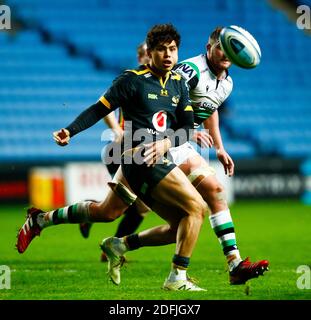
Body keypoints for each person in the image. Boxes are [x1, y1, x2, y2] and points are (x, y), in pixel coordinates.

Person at [16, 23, 208, 291]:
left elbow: (187, 128)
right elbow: (99, 109)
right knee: (197, 209)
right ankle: (177, 278)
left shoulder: (179, 85)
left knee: (114, 214)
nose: (168, 55)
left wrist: (167, 142)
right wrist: (70, 130)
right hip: (139, 157)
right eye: (162, 50)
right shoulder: (132, 80)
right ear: (149, 52)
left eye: (173, 50)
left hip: (155, 156)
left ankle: (47, 221)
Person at [96, 26, 269, 286]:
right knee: (112, 211)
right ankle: (205, 270)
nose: (225, 52)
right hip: (160, 140)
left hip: (179, 142)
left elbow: (210, 108)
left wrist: (219, 147)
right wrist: (184, 133)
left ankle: (121, 245)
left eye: (230, 48)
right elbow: (165, 97)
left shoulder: (227, 82)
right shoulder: (191, 70)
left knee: (190, 215)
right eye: (220, 46)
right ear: (209, 47)